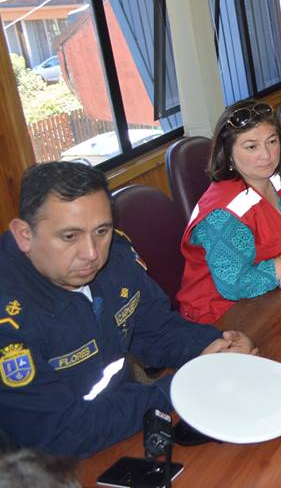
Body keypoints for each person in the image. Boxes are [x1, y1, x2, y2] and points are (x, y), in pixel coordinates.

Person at [0, 162, 257, 457]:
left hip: (121, 421)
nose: (92, 253)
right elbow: (60, 434)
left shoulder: (117, 258)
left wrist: (219, 346)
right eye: (69, 236)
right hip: (42, 464)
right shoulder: (8, 322)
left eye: (101, 230)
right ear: (24, 235)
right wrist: (183, 386)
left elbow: (157, 330)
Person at [178, 100, 281, 324]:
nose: (266, 155)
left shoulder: (280, 176)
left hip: (275, 294)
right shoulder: (223, 214)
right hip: (223, 316)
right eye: (251, 146)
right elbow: (235, 285)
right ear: (228, 154)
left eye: (272, 141)